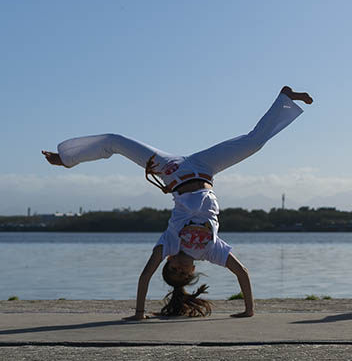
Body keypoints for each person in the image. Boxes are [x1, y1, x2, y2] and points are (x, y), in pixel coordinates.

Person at [42, 86, 314, 320]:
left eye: (173, 269)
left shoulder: (170, 243)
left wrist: (139, 312)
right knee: (254, 143)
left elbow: (145, 275)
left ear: (169, 261)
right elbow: (242, 272)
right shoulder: (211, 250)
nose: (180, 269)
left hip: (171, 170)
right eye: (183, 274)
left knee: (115, 140)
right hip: (205, 168)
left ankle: (66, 158)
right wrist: (249, 310)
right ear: (193, 271)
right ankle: (284, 98)